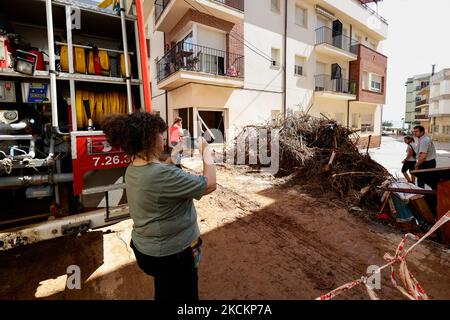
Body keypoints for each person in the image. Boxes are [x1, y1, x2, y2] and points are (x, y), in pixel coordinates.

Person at [102, 112, 217, 301]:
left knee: (165, 289)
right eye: (159, 133)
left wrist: (175, 153)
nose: (163, 137)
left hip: (150, 252)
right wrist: (207, 151)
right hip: (174, 255)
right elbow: (210, 184)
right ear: (148, 139)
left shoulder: (133, 167)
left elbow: (159, 170)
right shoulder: (162, 176)